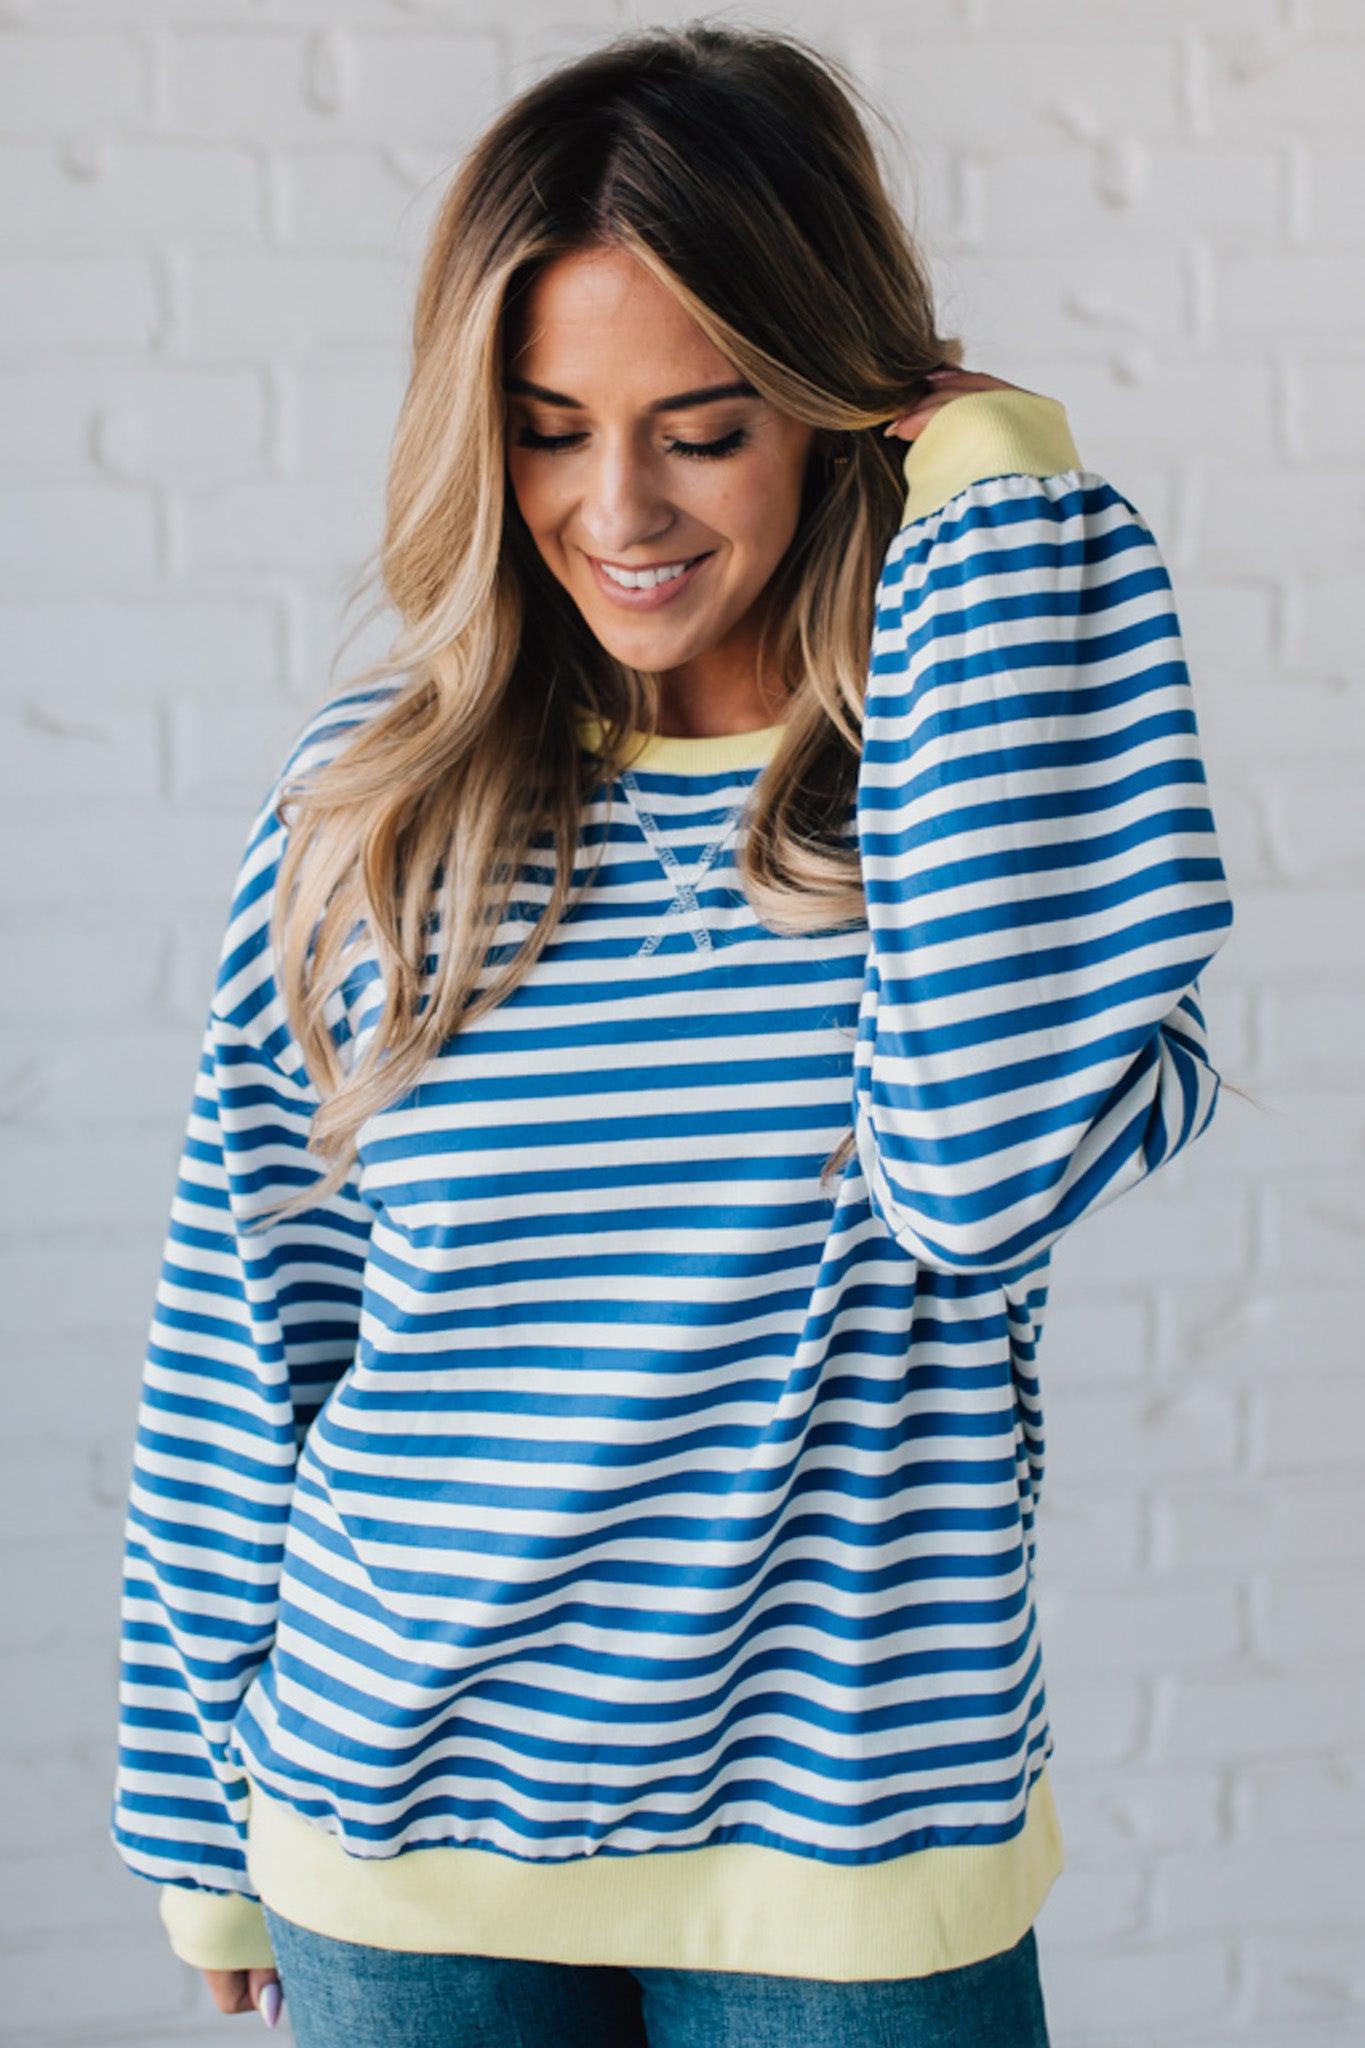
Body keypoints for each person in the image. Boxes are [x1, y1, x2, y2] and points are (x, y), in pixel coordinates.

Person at [108, 21, 1236, 2046]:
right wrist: (198, 1825)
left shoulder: (959, 798)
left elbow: (971, 1188)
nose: (612, 504)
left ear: (837, 407)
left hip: (857, 1840)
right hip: (395, 1841)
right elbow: (246, 1321)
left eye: (702, 427)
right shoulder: (369, 814)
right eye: (545, 425)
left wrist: (1000, 481)